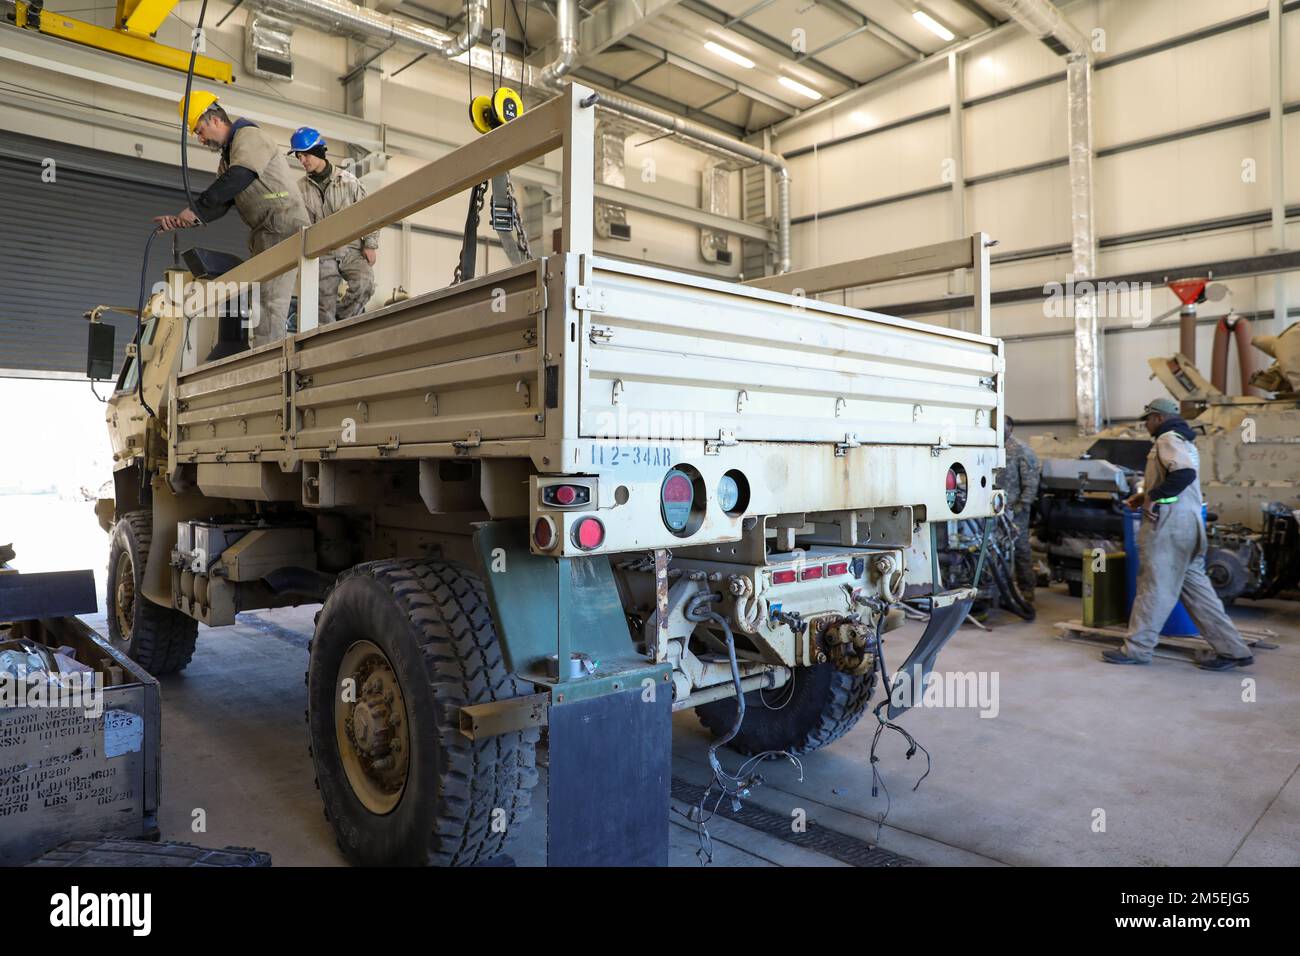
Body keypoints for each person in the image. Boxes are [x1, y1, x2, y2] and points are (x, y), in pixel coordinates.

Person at [1103, 397, 1254, 670]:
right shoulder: (1185, 441)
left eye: (1148, 419)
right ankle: (1233, 649)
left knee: (1155, 588)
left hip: (1170, 529)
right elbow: (1178, 479)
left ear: (1158, 418)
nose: (1146, 424)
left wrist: (1154, 498)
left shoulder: (1167, 439)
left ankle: (1136, 649)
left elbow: (1183, 475)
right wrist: (1145, 496)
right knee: (1198, 592)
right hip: (1189, 525)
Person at [154, 92, 310, 349]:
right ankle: (266, 358)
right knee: (261, 304)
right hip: (265, 232)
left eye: (200, 130)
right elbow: (223, 202)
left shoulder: (249, 136)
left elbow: (240, 177)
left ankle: (269, 367)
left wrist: (197, 207)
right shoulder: (228, 160)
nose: (200, 138)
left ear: (215, 120)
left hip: (282, 225)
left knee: (270, 303)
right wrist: (185, 219)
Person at [288, 127, 377, 324]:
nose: (302, 161)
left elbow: (368, 213)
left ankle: (340, 319)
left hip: (351, 249)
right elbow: (295, 223)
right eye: (298, 157)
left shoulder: (349, 182)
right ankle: (328, 334)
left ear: (318, 151)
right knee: (322, 307)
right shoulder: (299, 189)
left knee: (365, 283)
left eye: (305, 155)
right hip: (321, 254)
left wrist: (370, 244)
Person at [1000, 416, 1041, 606]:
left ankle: (1027, 592)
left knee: (1021, 549)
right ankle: (1001, 591)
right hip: (995, 510)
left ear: (1010, 428)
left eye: (1002, 425)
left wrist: (1021, 506)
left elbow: (1031, 483)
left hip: (1016, 511)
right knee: (997, 551)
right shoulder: (990, 449)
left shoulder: (1022, 450)